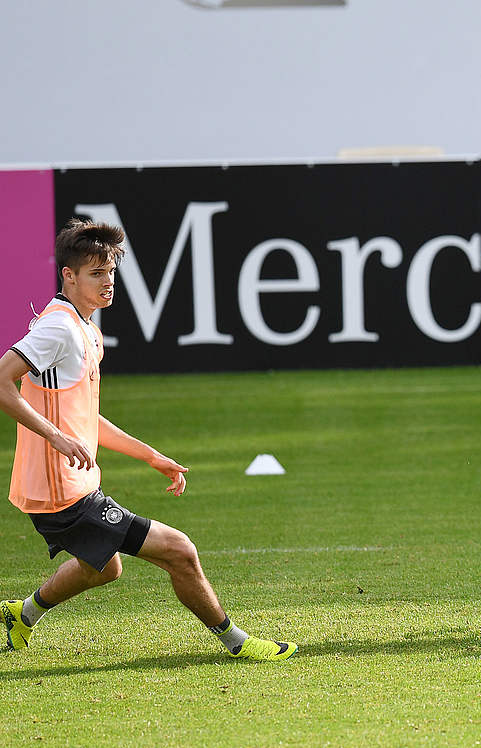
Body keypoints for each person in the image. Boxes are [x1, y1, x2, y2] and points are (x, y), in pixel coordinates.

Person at [1, 219, 296, 662]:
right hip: (61, 493)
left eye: (112, 272)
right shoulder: (58, 328)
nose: (108, 283)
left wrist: (151, 456)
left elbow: (85, 418)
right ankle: (237, 643)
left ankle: (20, 616)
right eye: (96, 273)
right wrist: (56, 437)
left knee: (104, 569)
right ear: (69, 275)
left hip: (72, 484)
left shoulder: (85, 329)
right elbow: (3, 382)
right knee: (180, 550)